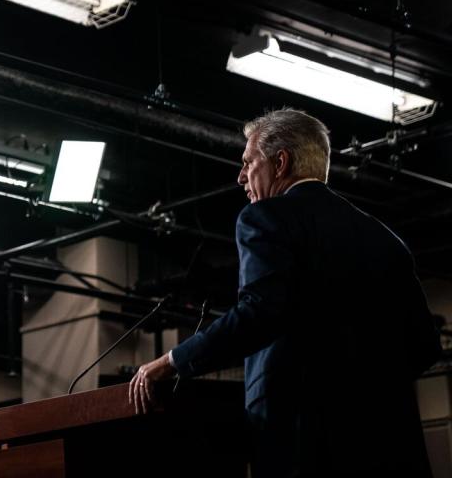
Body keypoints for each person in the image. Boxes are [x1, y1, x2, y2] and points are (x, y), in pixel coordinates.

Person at [129, 108, 441, 477]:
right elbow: (424, 346)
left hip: (305, 447)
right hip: (392, 447)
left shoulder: (266, 218)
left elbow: (260, 312)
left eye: (248, 162)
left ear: (280, 163)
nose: (241, 176)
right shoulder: (388, 241)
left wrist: (171, 362)